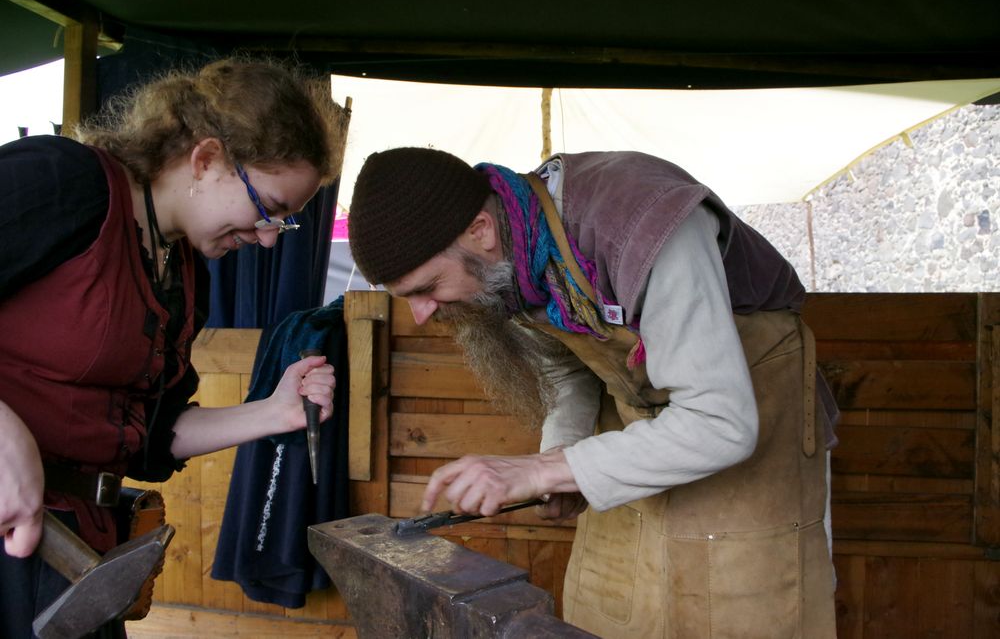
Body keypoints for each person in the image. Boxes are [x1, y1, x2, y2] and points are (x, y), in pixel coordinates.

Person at [347, 147, 839, 638]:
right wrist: (561, 462)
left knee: (732, 616)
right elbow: (568, 371)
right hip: (634, 449)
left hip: (745, 441)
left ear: (480, 231)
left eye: (427, 287)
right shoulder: (511, 261)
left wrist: (542, 470)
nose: (420, 314)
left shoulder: (640, 217)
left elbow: (720, 422)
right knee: (618, 612)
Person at [0, 58, 345, 638]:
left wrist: (273, 412)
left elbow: (150, 436)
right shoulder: (63, 182)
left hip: (78, 550)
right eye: (270, 210)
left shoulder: (185, 271)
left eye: (283, 225)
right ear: (206, 159)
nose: (266, 238)